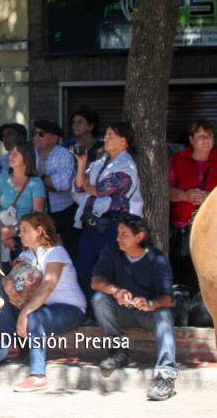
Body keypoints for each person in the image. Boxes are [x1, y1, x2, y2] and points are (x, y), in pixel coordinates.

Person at [0, 212, 86, 392]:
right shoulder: (28, 254)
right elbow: (8, 278)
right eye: (20, 230)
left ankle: (37, 375)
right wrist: (9, 282)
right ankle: (10, 341)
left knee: (35, 318)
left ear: (39, 231)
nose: (20, 234)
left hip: (70, 310)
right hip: (43, 308)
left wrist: (25, 313)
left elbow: (47, 287)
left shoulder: (55, 253)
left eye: (25, 230)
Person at [91, 215, 177, 401]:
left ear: (139, 237)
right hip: (123, 312)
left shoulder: (157, 258)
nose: (118, 238)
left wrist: (151, 304)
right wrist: (116, 291)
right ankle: (119, 351)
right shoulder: (112, 250)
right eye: (118, 234)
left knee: (164, 314)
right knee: (99, 299)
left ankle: (166, 375)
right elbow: (96, 281)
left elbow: (168, 298)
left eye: (124, 235)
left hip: (148, 315)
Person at [73, 121, 143, 298]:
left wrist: (89, 186)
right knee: (84, 265)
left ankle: (109, 307)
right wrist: (81, 163)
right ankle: (88, 308)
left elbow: (100, 190)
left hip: (113, 224)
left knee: (109, 267)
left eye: (111, 135)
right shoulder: (100, 162)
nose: (106, 138)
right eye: (106, 135)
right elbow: (80, 186)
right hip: (92, 221)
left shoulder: (127, 165)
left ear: (123, 141)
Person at [168, 120, 217, 290]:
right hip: (184, 231)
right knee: (184, 281)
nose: (206, 140)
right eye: (201, 136)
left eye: (209, 136)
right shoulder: (177, 160)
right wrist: (185, 196)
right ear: (191, 139)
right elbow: (164, 191)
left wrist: (211, 198)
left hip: (213, 233)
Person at [0, 141, 46, 271]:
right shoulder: (1, 179)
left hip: (26, 237)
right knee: (1, 276)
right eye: (10, 153)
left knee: (21, 276)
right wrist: (3, 235)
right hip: (1, 233)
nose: (11, 156)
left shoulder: (36, 183)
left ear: (27, 157)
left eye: (16, 153)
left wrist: (14, 231)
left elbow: (38, 215)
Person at [32, 119, 78, 260]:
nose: (36, 137)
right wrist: (47, 182)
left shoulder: (64, 154)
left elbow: (63, 184)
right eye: (34, 134)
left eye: (41, 134)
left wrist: (38, 178)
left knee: (66, 252)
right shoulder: (30, 153)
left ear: (54, 138)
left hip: (63, 214)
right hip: (39, 212)